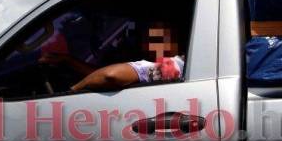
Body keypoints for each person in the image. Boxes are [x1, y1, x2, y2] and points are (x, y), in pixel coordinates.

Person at [39, 20, 185, 92]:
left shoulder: (176, 66)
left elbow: (110, 76)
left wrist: (72, 92)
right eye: (147, 40)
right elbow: (97, 75)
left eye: (158, 40)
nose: (149, 47)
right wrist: (68, 60)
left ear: (179, 41)